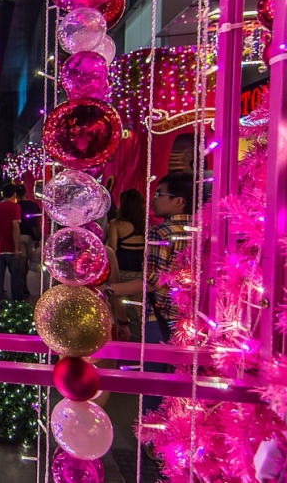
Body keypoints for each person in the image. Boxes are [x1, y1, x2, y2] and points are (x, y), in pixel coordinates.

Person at [99, 172, 194, 424]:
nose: (155, 199)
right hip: (192, 319)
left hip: (161, 316)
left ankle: (152, 440)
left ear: (179, 201)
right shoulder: (203, 230)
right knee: (183, 384)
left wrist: (110, 290)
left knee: (153, 382)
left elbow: (152, 283)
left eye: (161, 194)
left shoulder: (162, 232)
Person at [0, 183, 24, 302]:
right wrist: (16, 248)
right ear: (14, 194)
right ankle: (17, 302)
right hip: (11, 247)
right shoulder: (15, 207)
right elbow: (15, 227)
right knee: (15, 276)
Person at [15, 184, 41, 297]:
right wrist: (39, 237)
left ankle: (24, 285)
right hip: (31, 236)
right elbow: (38, 222)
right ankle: (39, 287)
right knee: (32, 261)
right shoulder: (34, 205)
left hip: (20, 236)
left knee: (23, 262)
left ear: (16, 195)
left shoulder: (16, 206)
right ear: (26, 193)